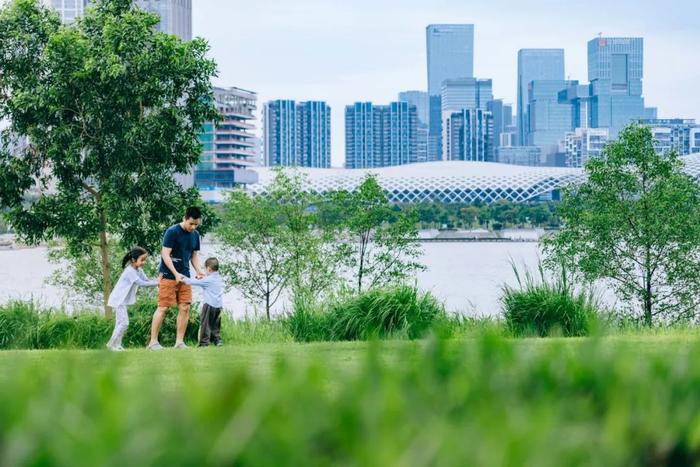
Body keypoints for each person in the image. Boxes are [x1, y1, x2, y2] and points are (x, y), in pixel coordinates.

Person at [147, 206, 205, 350]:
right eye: (191, 223)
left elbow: (193, 255)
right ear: (184, 218)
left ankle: (179, 342)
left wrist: (199, 270)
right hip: (168, 276)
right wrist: (175, 273)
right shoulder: (172, 232)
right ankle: (153, 342)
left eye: (196, 224)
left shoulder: (195, 235)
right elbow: (165, 254)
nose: (193, 227)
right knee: (163, 308)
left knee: (185, 307)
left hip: (185, 277)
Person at [106, 246, 160, 351]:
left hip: (121, 300)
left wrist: (157, 281)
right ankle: (110, 344)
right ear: (133, 260)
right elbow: (141, 283)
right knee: (124, 323)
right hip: (118, 300)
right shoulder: (129, 271)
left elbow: (147, 280)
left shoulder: (139, 270)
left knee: (120, 323)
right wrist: (157, 283)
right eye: (142, 260)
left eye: (145, 260)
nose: (144, 262)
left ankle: (117, 345)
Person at [183, 257, 224, 347]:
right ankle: (217, 341)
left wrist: (182, 278)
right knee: (215, 324)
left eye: (205, 269)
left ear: (208, 269)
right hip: (219, 306)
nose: (204, 271)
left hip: (209, 305)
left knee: (205, 324)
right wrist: (203, 278)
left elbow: (191, 282)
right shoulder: (219, 278)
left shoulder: (207, 280)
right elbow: (206, 280)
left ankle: (204, 343)